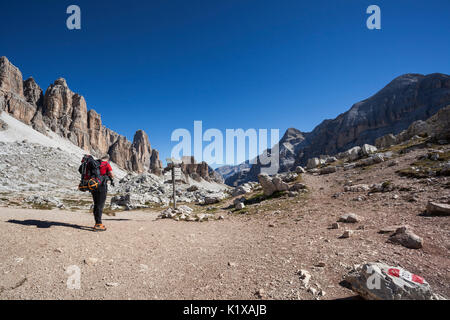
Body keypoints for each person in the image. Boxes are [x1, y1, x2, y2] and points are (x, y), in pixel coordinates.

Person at [91, 155, 114, 231]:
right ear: (107, 159)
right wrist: (111, 178)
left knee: (96, 203)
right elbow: (111, 174)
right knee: (100, 204)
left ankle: (97, 222)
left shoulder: (95, 163)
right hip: (101, 186)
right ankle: (98, 224)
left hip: (94, 186)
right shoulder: (106, 164)